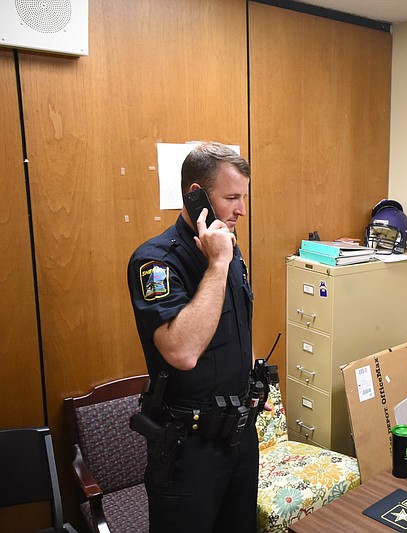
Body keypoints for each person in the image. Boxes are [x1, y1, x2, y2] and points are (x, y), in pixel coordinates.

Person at [127, 141, 263, 533]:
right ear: (196, 195)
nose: (241, 210)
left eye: (244, 198)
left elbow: (238, 326)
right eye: (232, 198)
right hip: (189, 447)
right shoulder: (156, 260)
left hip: (239, 437)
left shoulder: (229, 251)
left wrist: (248, 384)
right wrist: (217, 264)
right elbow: (183, 352)